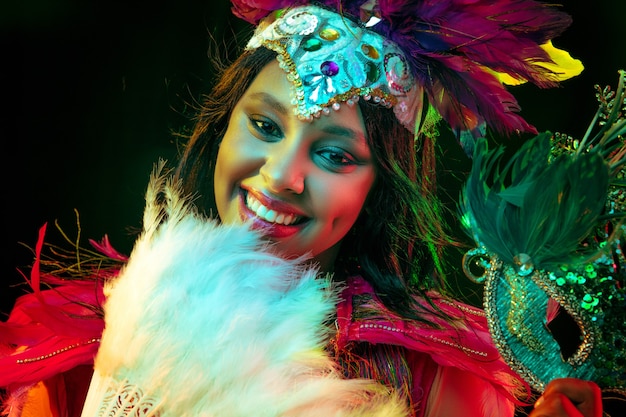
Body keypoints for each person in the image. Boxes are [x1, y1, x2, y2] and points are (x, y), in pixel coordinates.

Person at [0, 0, 614, 416]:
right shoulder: (76, 343)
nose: (281, 176)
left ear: (380, 187)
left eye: (335, 157)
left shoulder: (436, 376)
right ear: (224, 126)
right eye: (265, 125)